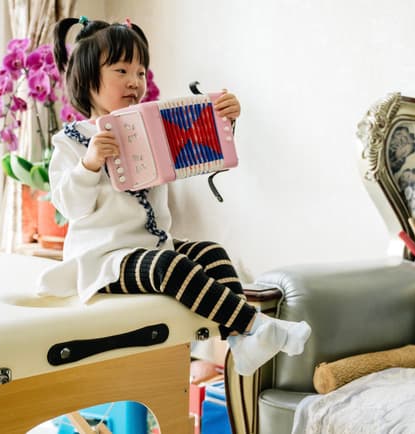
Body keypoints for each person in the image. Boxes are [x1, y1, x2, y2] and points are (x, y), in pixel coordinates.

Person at [38, 16, 310, 376]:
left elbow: (200, 149)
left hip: (152, 245)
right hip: (105, 259)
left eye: (140, 72)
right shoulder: (71, 141)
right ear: (87, 80)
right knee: (171, 267)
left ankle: (239, 341)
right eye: (121, 70)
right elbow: (70, 206)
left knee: (211, 252)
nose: (134, 81)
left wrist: (222, 119)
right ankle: (254, 324)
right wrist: (90, 164)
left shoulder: (149, 128)